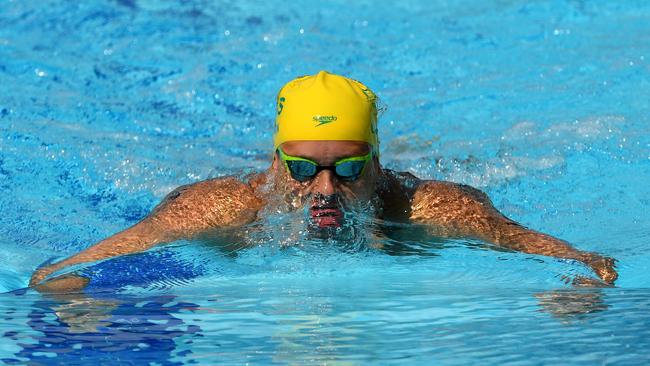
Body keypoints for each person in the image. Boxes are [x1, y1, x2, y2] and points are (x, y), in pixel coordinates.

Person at [30, 71, 617, 292]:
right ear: (277, 160)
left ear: (378, 163)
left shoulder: (434, 207)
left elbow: (562, 254)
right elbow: (60, 271)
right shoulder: (217, 208)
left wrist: (581, 285)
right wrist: (73, 298)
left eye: (350, 166)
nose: (324, 189)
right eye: (304, 168)